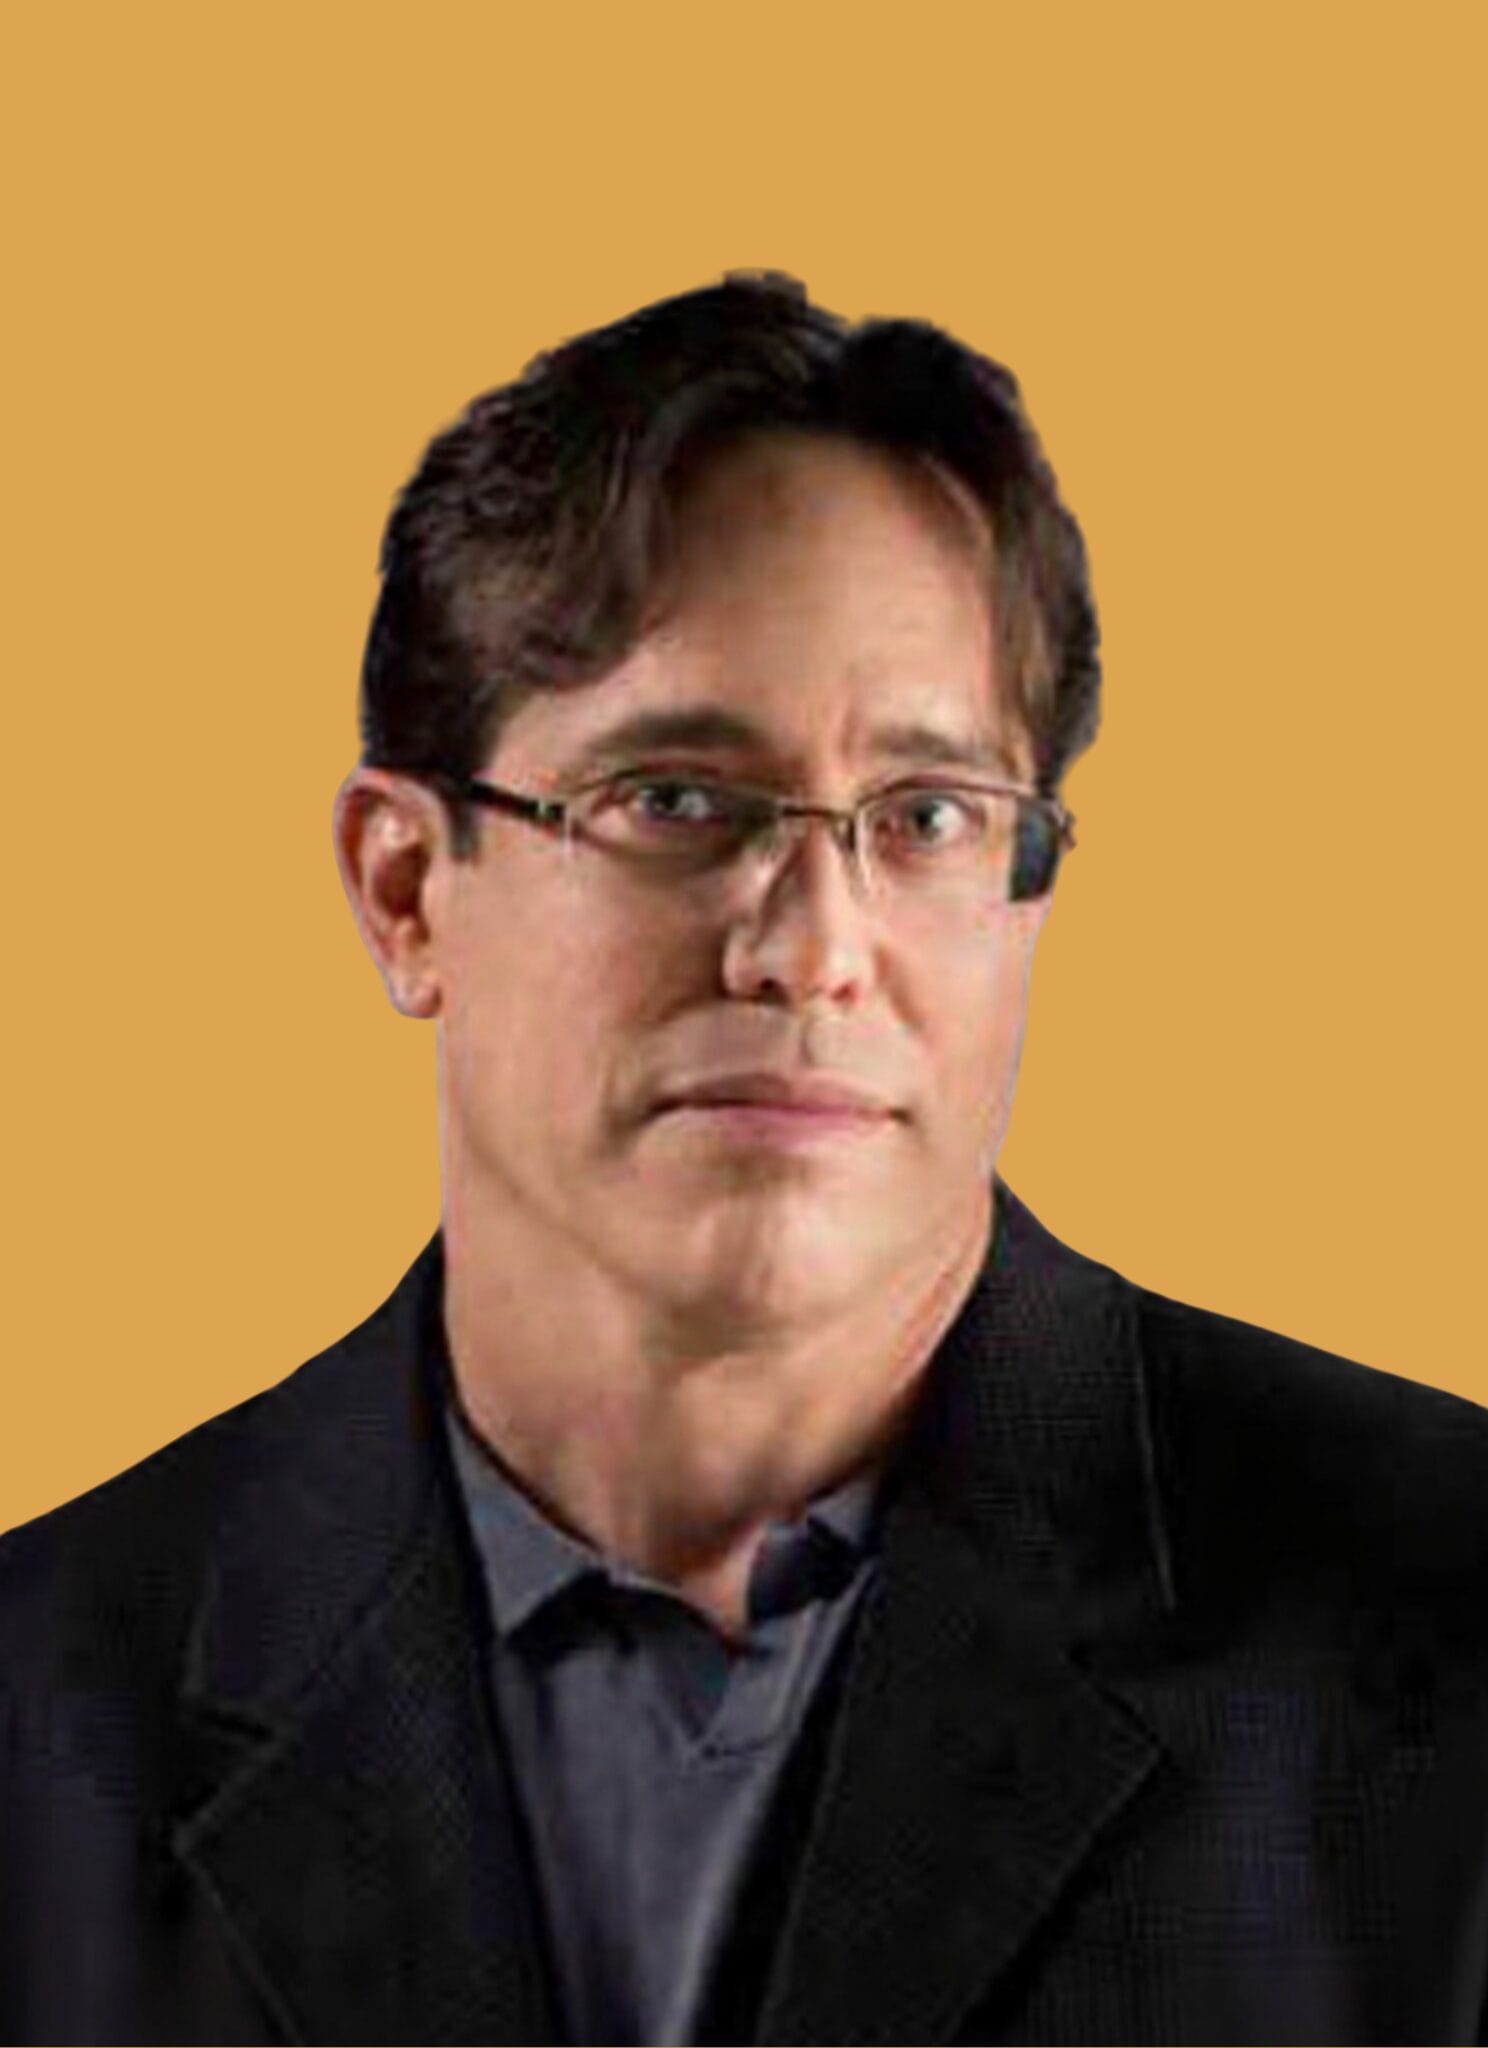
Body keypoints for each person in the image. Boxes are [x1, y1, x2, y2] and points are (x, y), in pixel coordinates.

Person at [2, 273, 1485, 2048]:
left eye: (927, 817)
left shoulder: (1447, 1636)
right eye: (676, 801)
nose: (814, 948)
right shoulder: (40, 1715)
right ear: (406, 891)